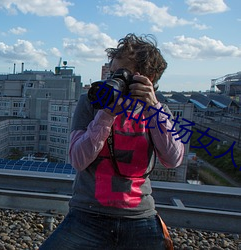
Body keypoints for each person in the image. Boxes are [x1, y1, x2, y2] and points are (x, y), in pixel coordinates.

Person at [39, 33, 184, 250]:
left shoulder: (159, 112)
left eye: (122, 74)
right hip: (87, 213)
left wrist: (154, 110)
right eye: (113, 72)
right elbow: (78, 160)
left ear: (148, 78)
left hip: (139, 215)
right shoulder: (90, 103)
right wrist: (106, 114)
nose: (114, 79)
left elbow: (173, 159)